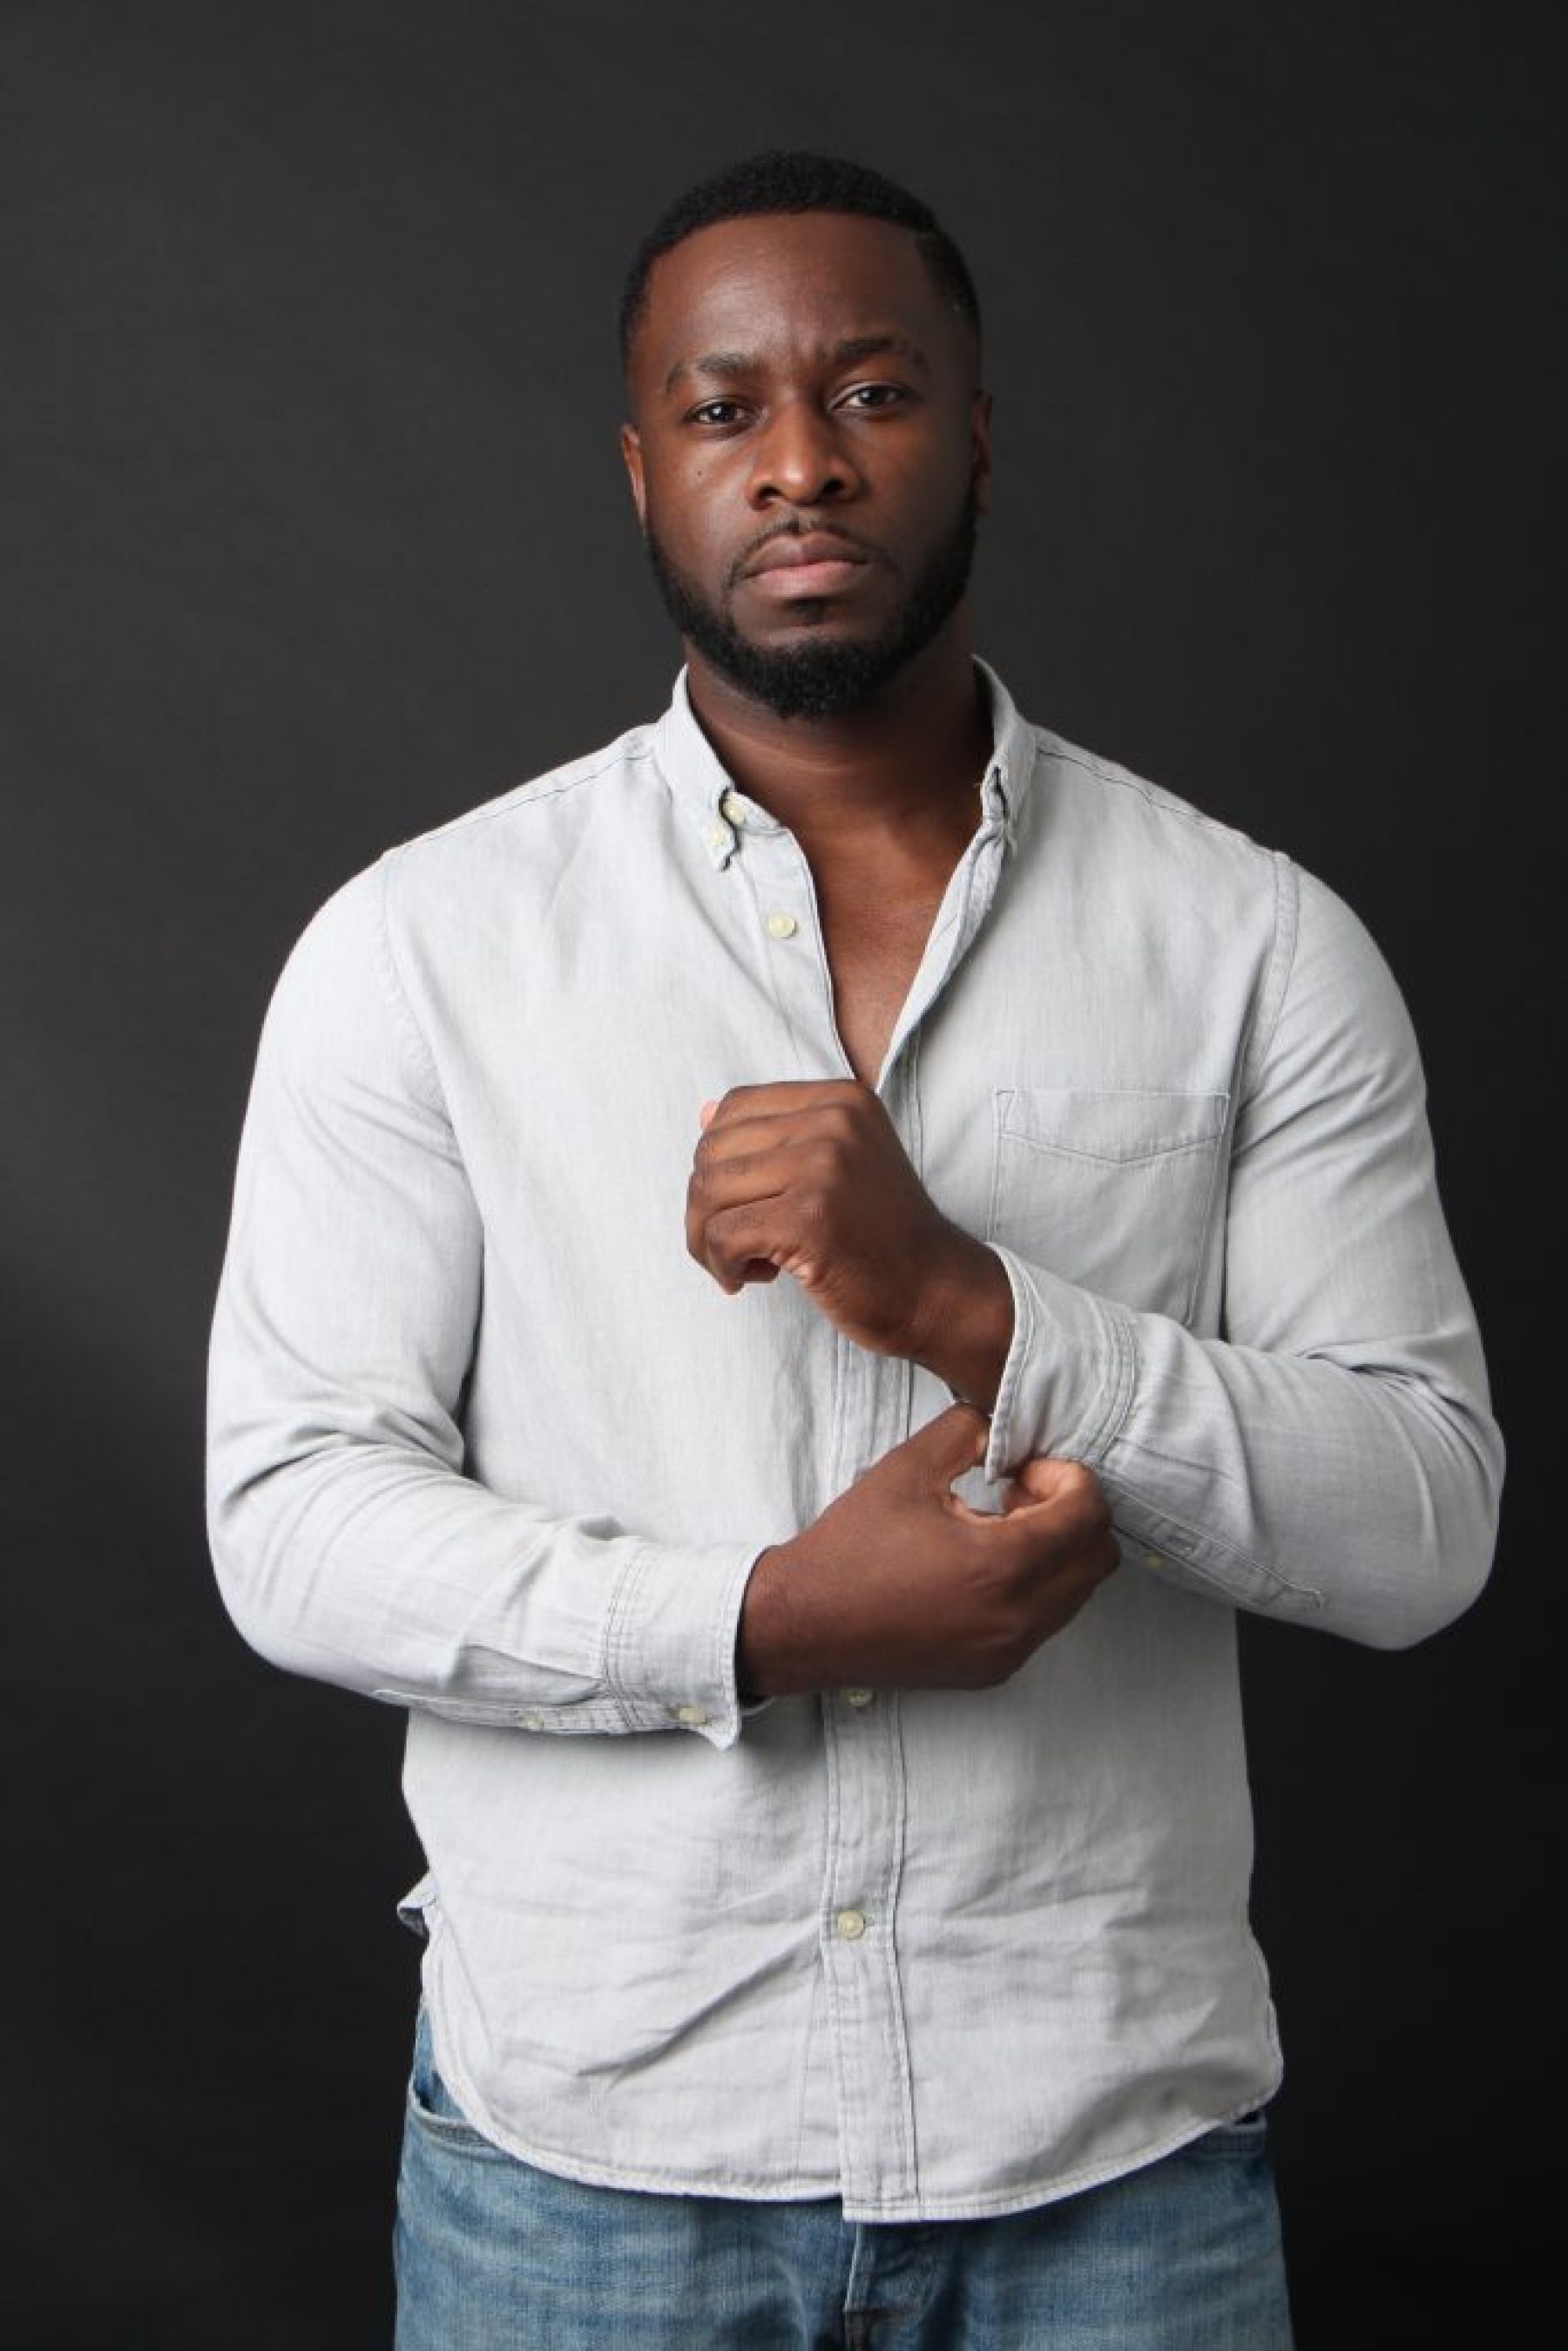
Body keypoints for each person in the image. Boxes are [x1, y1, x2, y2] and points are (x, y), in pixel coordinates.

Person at [206, 151, 1503, 2348]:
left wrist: (982, 1308)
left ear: (978, 436)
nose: (799, 461)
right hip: (588, 2169)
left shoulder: (1256, 945)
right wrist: (767, 1620)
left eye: (873, 393)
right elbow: (292, 1519)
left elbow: (1422, 1526)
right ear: (642, 470)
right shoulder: (419, 950)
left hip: (1113, 2170)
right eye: (724, 409)